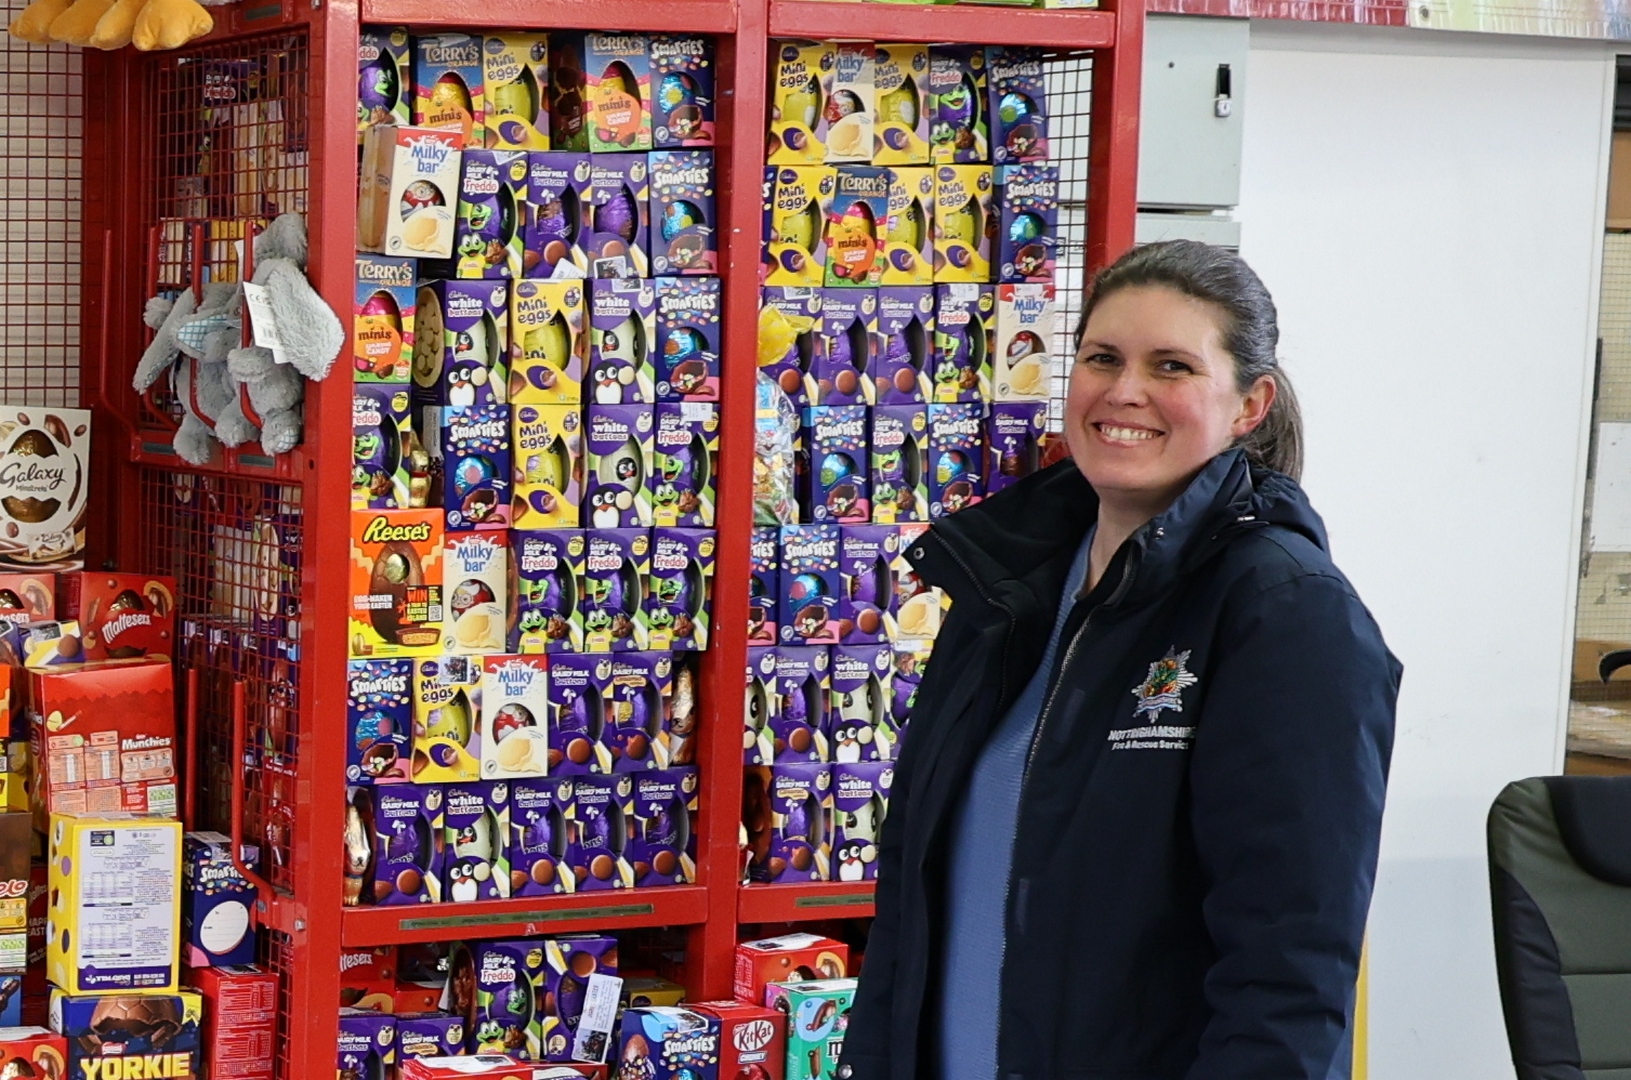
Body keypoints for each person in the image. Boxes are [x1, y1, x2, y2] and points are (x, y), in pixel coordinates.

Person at [838, 240, 1401, 1080]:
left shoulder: (1283, 613)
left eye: (1171, 365)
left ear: (1250, 404)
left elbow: (1288, 968)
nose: (1124, 391)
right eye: (1102, 357)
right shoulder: (1003, 589)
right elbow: (911, 907)